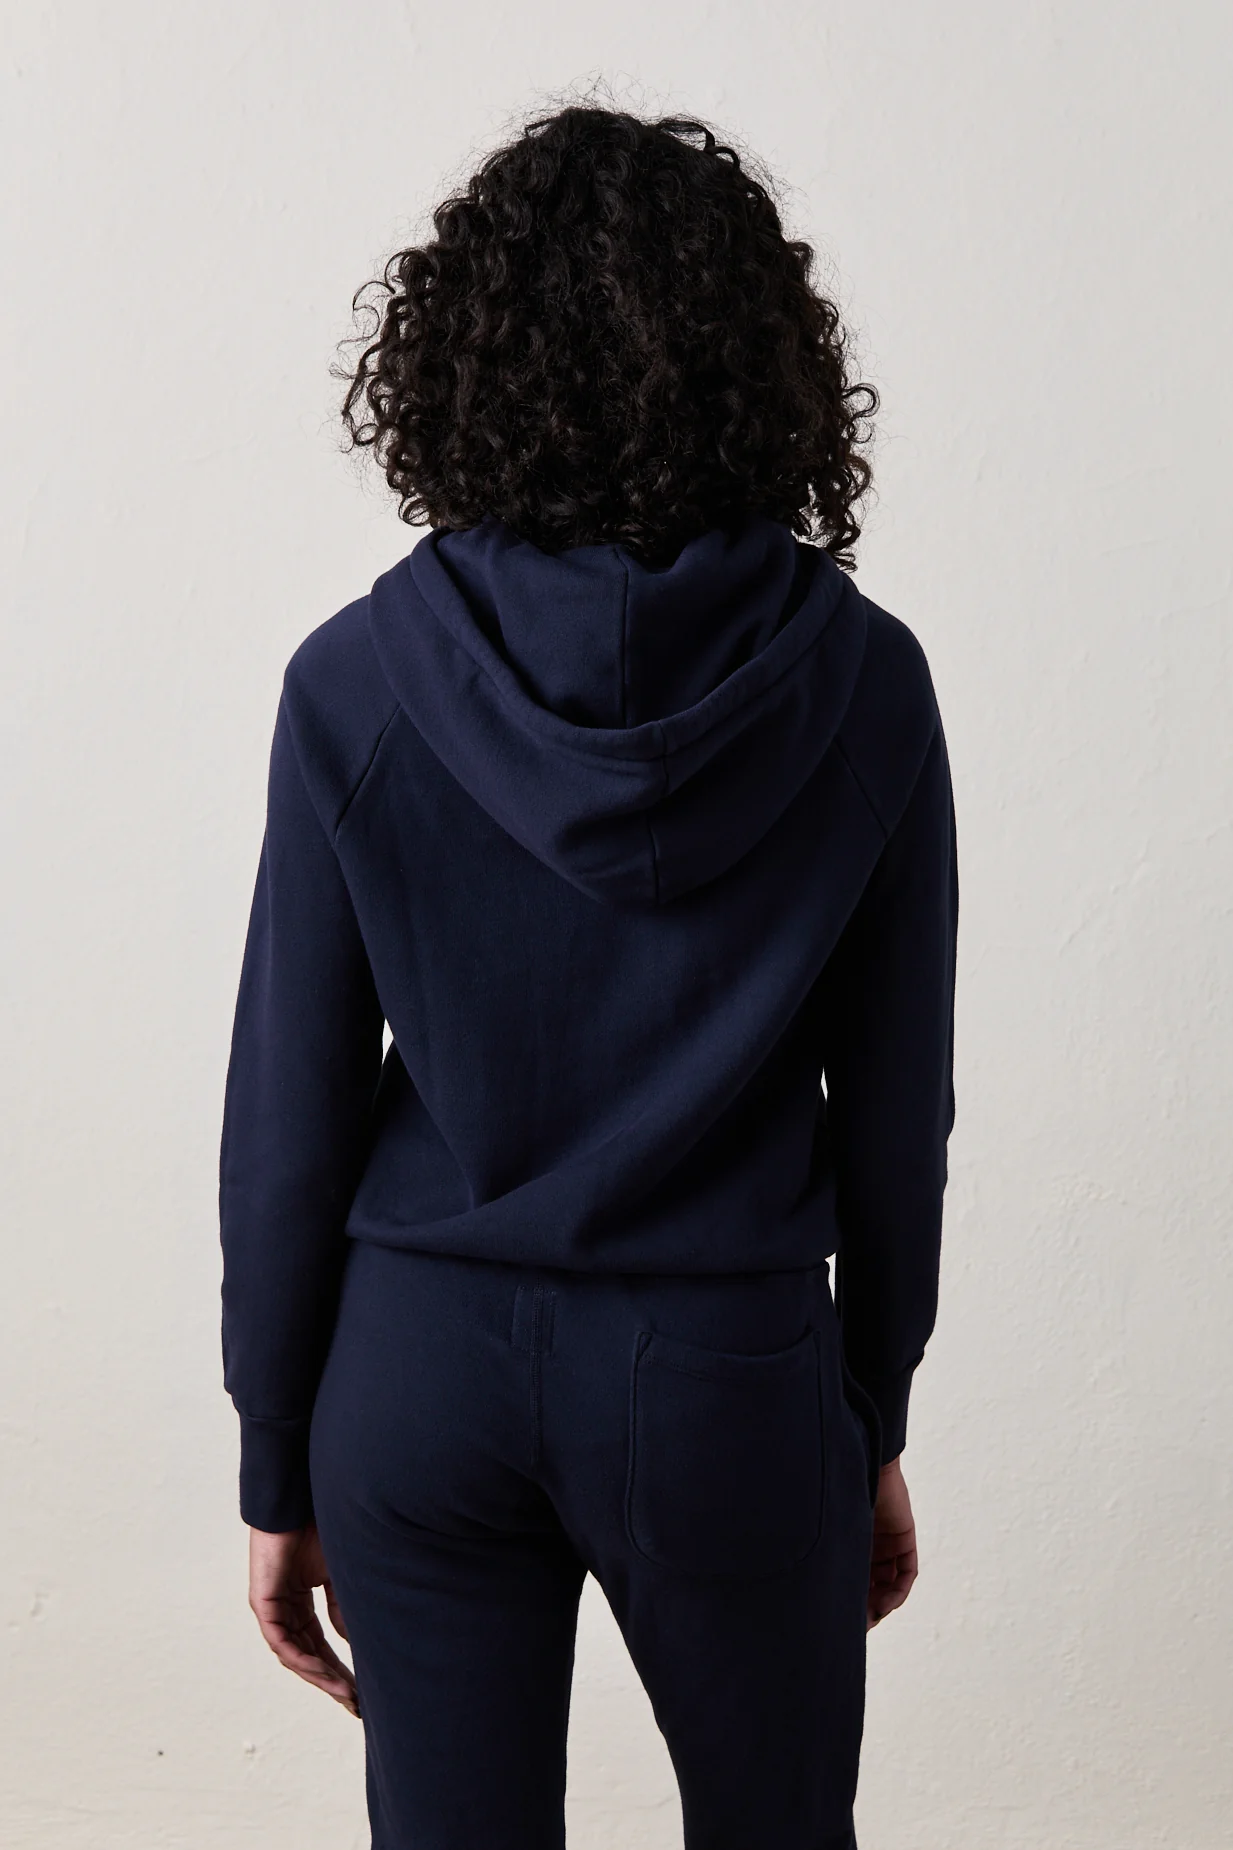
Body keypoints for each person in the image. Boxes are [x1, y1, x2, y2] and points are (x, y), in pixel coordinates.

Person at [220, 104, 958, 1850]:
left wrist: (277, 1455)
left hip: (416, 1366)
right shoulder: (865, 683)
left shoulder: (355, 680)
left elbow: (287, 1118)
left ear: (460, 363)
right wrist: (868, 1410)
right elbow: (896, 1109)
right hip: (726, 1367)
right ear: (764, 368)